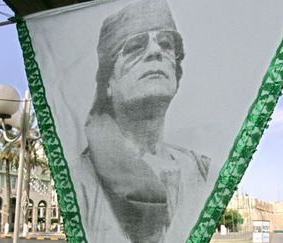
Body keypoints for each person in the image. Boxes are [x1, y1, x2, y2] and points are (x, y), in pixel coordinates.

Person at [71, 0, 211, 242]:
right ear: (108, 82)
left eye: (167, 44)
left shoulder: (201, 169)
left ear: (177, 74)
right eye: (135, 46)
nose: (156, 51)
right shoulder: (80, 179)